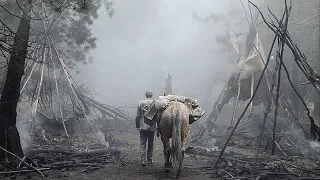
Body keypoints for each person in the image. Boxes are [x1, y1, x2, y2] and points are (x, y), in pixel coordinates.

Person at [135, 90, 156, 166]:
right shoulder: (154, 103)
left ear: (146, 95)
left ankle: (143, 160)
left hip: (142, 126)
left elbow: (138, 116)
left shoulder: (140, 103)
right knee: (151, 143)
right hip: (151, 126)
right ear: (151, 95)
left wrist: (137, 125)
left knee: (142, 143)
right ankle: (149, 159)